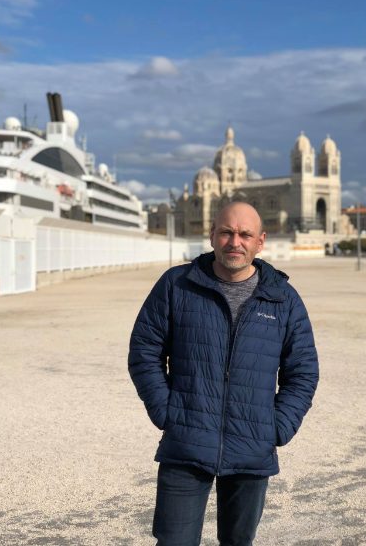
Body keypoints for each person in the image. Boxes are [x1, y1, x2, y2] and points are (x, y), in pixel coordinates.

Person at [129, 202, 319, 545]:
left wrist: (277, 427)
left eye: (245, 234)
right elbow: (145, 351)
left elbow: (303, 371)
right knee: (174, 541)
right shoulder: (177, 284)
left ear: (260, 242)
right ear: (212, 235)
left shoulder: (283, 299)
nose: (235, 242)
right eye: (227, 232)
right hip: (186, 443)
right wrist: (166, 412)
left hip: (252, 447)